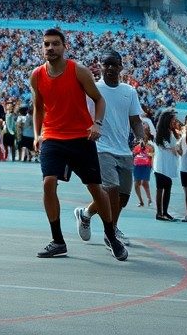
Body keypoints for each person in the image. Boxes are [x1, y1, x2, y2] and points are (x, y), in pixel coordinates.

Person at [29, 29, 126, 261]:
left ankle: (111, 235)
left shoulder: (78, 71)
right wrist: (37, 134)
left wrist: (97, 124)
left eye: (55, 44)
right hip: (53, 136)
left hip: (81, 138)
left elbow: (99, 99)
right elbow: (38, 107)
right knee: (48, 183)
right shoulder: (36, 75)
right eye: (46, 45)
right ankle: (58, 241)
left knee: (95, 188)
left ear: (64, 47)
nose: (50, 48)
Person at [74, 49, 143, 248]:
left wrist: (140, 137)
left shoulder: (129, 92)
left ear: (121, 67)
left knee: (122, 197)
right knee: (110, 190)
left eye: (115, 64)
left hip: (124, 150)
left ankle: (86, 214)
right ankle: (110, 233)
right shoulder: (93, 89)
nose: (111, 68)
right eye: (107, 64)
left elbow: (135, 120)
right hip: (100, 147)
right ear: (100, 66)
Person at [152, 110, 180, 221]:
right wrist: (176, 149)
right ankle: (159, 213)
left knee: (167, 187)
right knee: (160, 188)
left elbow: (175, 148)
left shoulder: (171, 132)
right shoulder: (161, 134)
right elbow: (171, 148)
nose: (174, 122)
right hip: (160, 166)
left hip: (168, 165)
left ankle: (165, 212)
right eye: (173, 120)